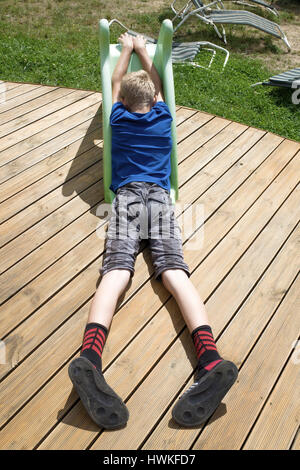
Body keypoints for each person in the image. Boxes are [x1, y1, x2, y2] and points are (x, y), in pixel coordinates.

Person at [68, 33, 238, 430]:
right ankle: (210, 358)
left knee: (116, 272)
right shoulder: (164, 117)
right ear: (156, 103)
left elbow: (114, 84)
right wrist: (145, 50)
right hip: (160, 200)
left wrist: (124, 49)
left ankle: (90, 357)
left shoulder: (118, 117)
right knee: (175, 273)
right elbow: (157, 87)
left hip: (126, 199)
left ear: (123, 103)